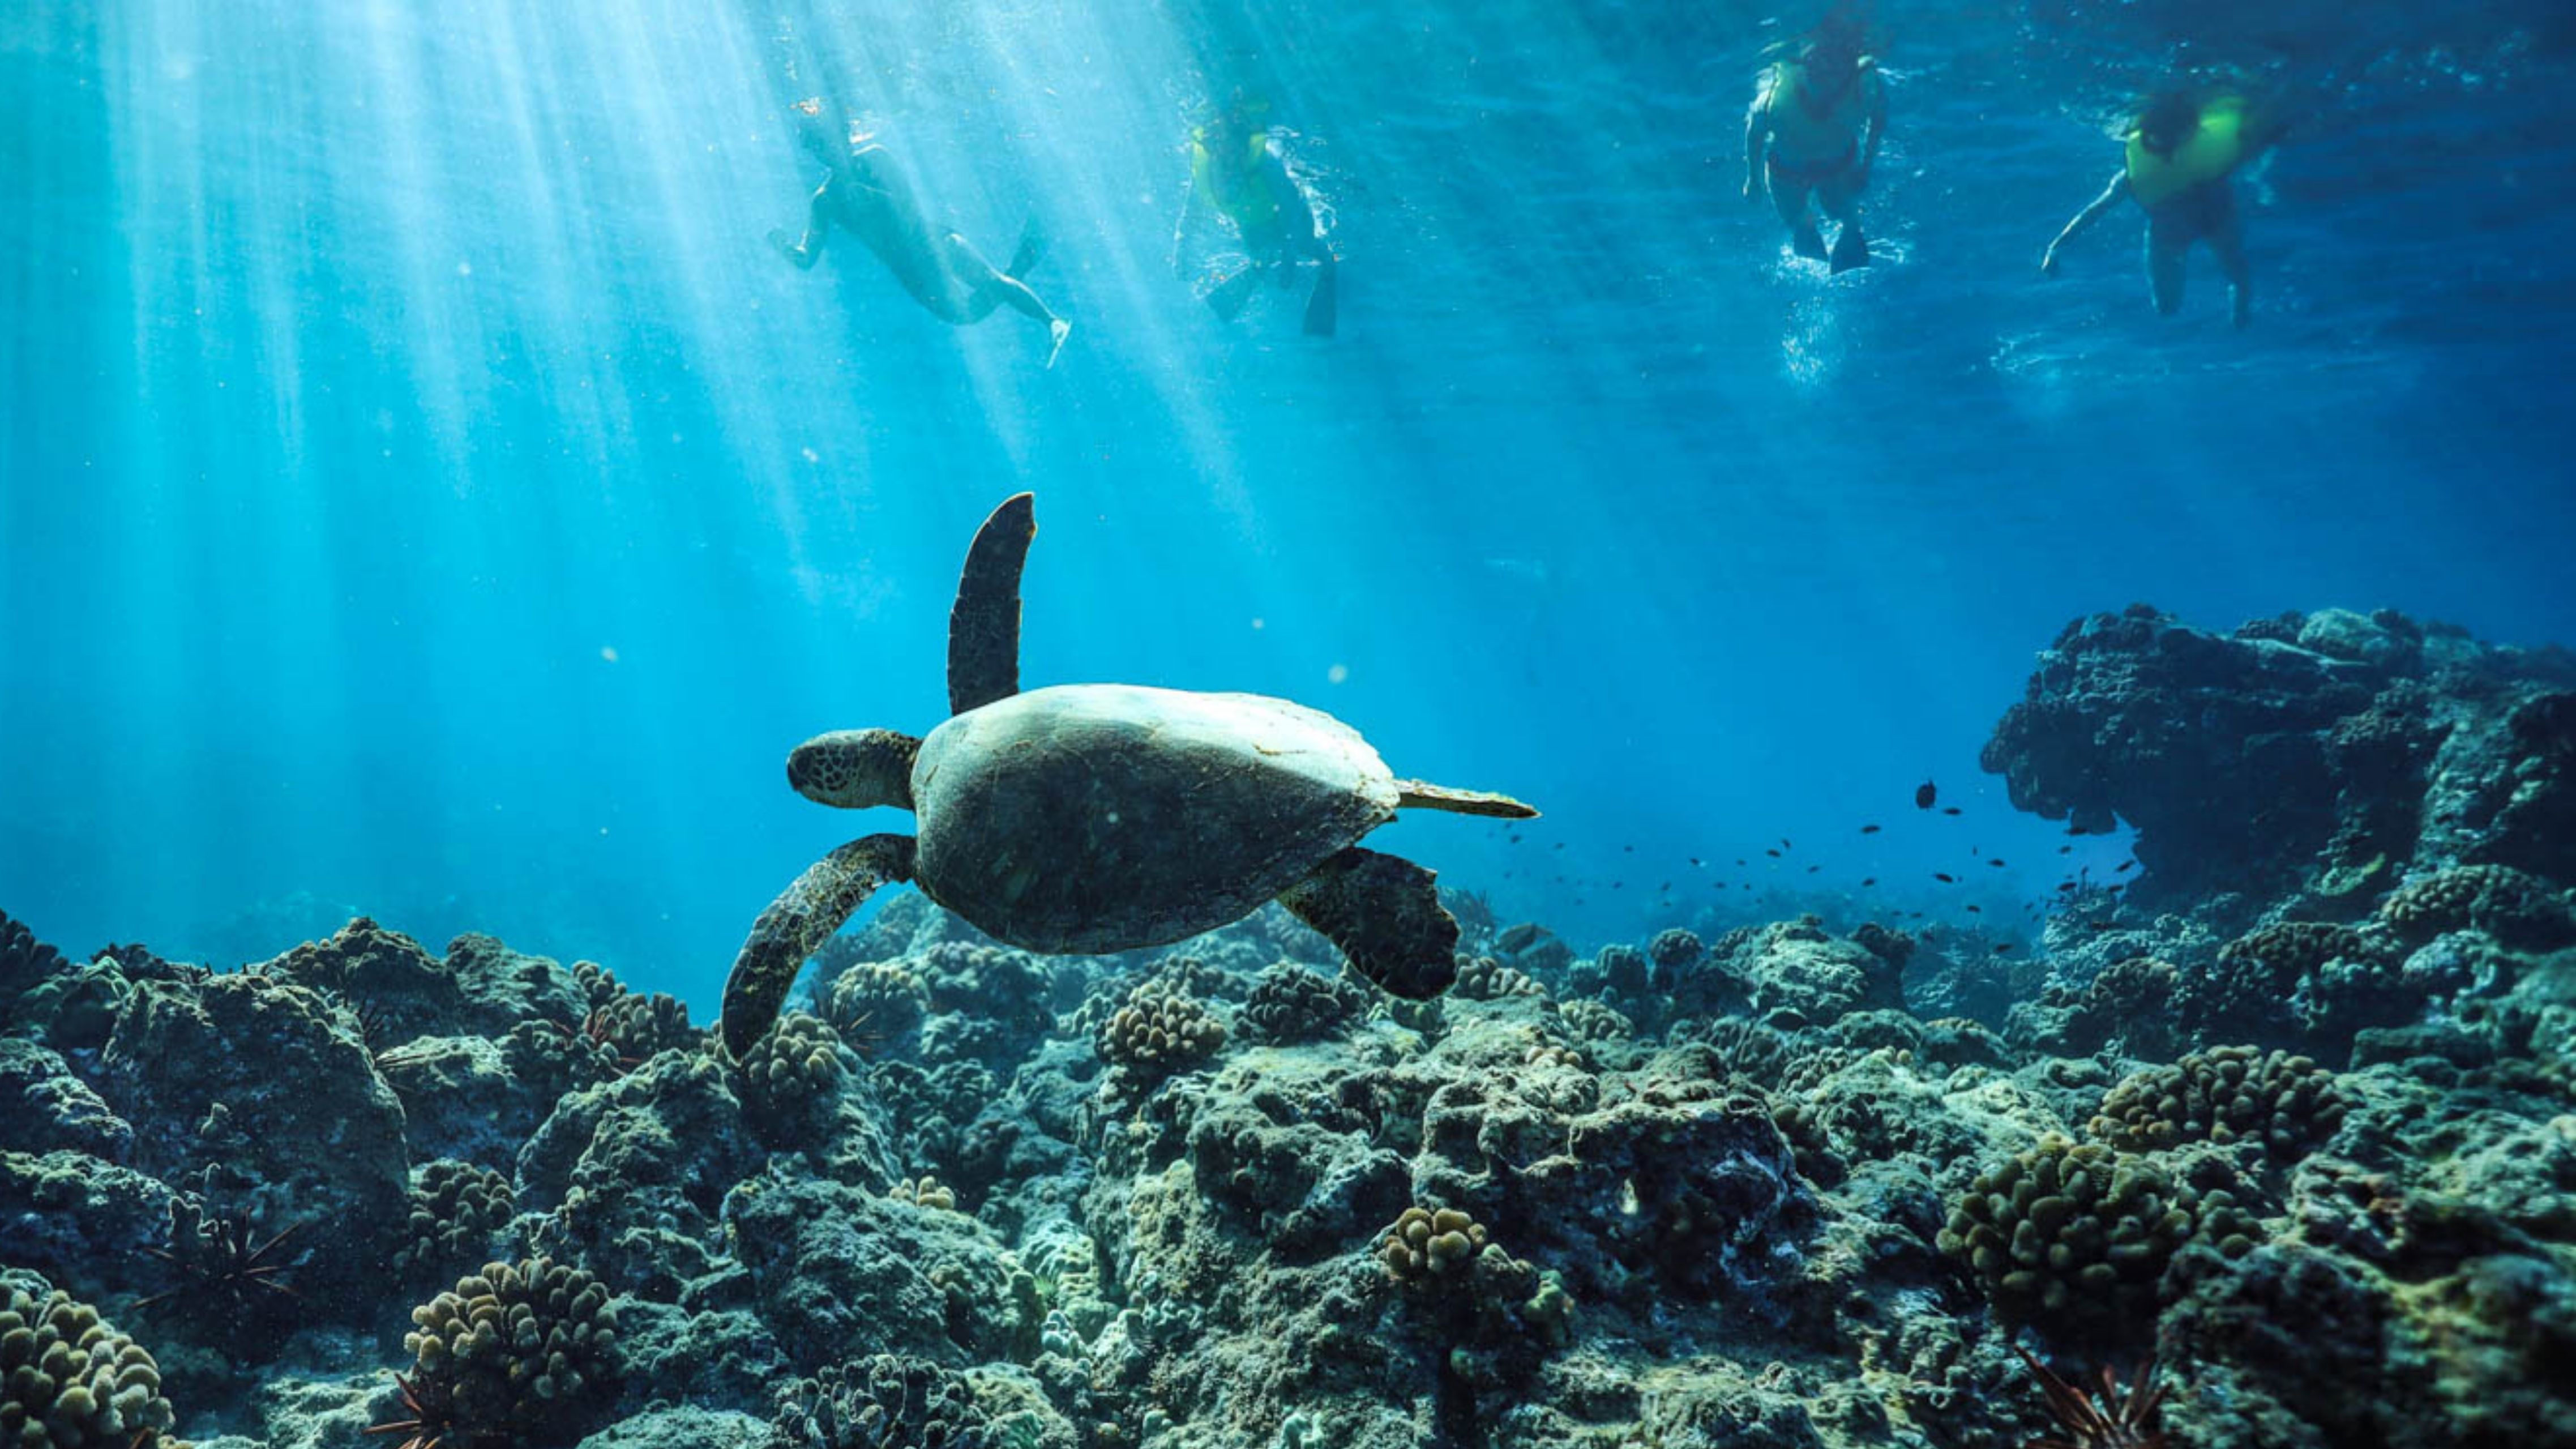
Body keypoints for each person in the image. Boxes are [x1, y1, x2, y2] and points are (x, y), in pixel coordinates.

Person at [769, 99, 1072, 366]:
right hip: (907, 268)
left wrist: (865, 193)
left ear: (842, 135)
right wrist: (783, 246)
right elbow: (806, 258)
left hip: (931, 241)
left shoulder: (875, 157)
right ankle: (1026, 257)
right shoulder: (824, 200)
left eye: (825, 141)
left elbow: (908, 204)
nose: (825, 151)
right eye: (816, 146)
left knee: (991, 280)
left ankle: (1052, 321)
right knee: (964, 314)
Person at [2041, 88, 2284, 327]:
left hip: (2215, 221)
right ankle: (2238, 322)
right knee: (2167, 307)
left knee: (2238, 282)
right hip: (2174, 232)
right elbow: (2095, 211)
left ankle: (2240, 327)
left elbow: (2253, 144)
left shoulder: (2209, 152)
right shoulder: (2134, 176)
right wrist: (2056, 247)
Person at [1172, 96, 1338, 337]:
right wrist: (1182, 251)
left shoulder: (1266, 163)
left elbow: (1293, 209)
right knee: (1261, 257)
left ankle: (1327, 270)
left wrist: (1290, 255)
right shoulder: (1206, 171)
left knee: (1313, 250)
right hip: (1252, 225)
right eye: (1222, 147)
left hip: (1290, 219)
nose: (1229, 156)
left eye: (1235, 146)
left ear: (1243, 142)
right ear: (1212, 145)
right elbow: (1191, 215)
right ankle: (1261, 266)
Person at [1743, 14, 1887, 274]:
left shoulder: (1864, 89)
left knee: (1841, 212)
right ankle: (1812, 226)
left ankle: (1849, 229)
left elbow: (1878, 120)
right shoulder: (1775, 98)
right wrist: (1752, 178)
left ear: (1848, 69)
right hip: (1789, 170)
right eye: (1820, 66)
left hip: (1835, 167)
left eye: (1836, 68)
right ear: (1805, 66)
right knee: (1797, 220)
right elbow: (1755, 133)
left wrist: (1866, 166)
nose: (1827, 75)